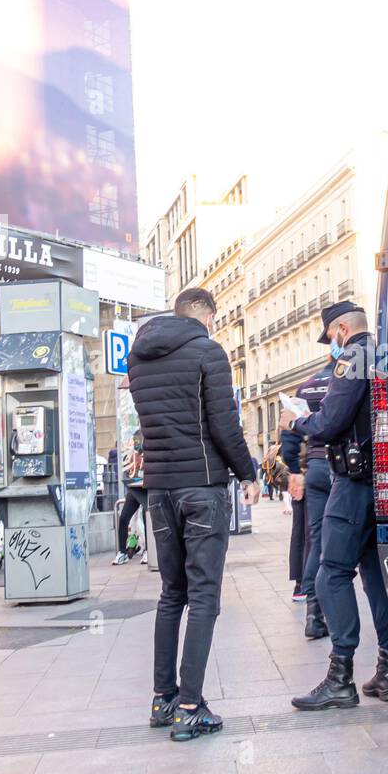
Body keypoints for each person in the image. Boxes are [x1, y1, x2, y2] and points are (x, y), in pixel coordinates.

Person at [127, 288, 259, 742]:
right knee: (204, 596)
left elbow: (152, 423)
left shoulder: (138, 357)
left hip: (159, 490)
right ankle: (190, 706)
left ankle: (162, 699)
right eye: (214, 318)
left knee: (171, 595)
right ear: (203, 313)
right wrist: (248, 472)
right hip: (202, 488)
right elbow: (224, 423)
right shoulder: (207, 351)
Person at [281, 301, 388, 710]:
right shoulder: (386, 353)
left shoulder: (354, 356)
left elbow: (331, 423)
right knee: (374, 577)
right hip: (381, 482)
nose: (329, 345)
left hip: (353, 483)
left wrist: (297, 422)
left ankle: (340, 678)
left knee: (329, 574)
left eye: (330, 336)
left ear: (341, 328)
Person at [281, 356, 334, 634]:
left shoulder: (307, 387)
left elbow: (289, 434)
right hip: (346, 467)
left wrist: (294, 470)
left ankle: (314, 615)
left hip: (314, 467)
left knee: (316, 541)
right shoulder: (353, 377)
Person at [113, 432, 149, 566]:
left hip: (146, 486)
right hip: (135, 487)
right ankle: (122, 552)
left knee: (147, 516)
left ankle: (148, 550)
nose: (136, 442)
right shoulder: (134, 451)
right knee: (124, 518)